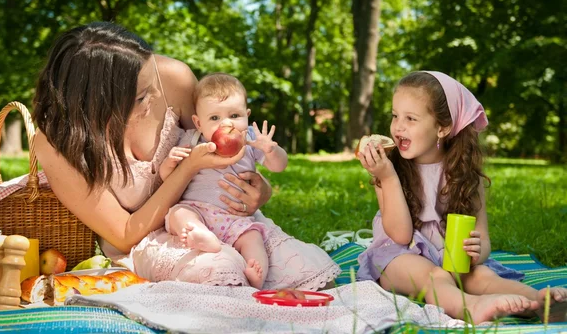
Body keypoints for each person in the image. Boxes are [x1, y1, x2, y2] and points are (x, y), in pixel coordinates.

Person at [33, 21, 340, 290]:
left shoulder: (171, 78)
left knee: (311, 273)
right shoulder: (57, 142)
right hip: (150, 240)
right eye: (140, 97)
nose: (153, 96)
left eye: (150, 82)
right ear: (95, 104)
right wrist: (187, 168)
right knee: (222, 273)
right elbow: (124, 234)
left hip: (220, 216)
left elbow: (223, 146)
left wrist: (262, 190)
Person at [355, 71, 566, 324]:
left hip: (449, 257)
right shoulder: (388, 168)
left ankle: (539, 303)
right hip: (398, 258)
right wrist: (387, 177)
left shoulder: (465, 175)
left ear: (442, 127)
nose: (398, 126)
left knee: (482, 277)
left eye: (411, 118)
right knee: (436, 277)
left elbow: (483, 237)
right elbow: (400, 235)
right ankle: (471, 307)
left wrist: (479, 252)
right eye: (395, 116)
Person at [159, 73, 288, 289]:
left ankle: (257, 271)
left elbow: (279, 166)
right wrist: (169, 163)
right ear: (198, 123)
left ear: (247, 116)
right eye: (214, 118)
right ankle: (200, 235)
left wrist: (272, 150)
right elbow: (168, 180)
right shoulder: (191, 141)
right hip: (197, 210)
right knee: (179, 214)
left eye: (235, 115)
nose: (226, 123)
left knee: (253, 237)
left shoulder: (249, 141)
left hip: (235, 218)